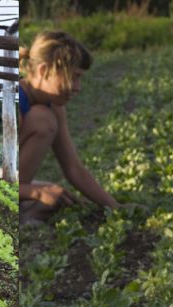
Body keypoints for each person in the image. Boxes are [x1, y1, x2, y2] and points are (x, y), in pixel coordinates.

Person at [19, 30, 120, 224]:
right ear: (43, 71)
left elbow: (73, 167)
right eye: (73, 77)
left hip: (13, 184)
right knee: (43, 120)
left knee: (58, 196)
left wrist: (115, 207)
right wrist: (35, 192)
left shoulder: (54, 106)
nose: (77, 87)